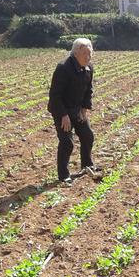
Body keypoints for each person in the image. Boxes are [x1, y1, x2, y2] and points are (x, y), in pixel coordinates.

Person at [47, 37, 96, 183]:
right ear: (75, 54)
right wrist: (63, 115)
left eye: (90, 53)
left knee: (87, 136)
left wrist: (84, 109)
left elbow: (88, 90)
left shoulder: (89, 68)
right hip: (61, 109)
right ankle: (63, 175)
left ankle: (87, 164)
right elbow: (55, 95)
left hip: (77, 109)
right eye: (84, 54)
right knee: (67, 143)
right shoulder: (63, 68)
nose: (87, 57)